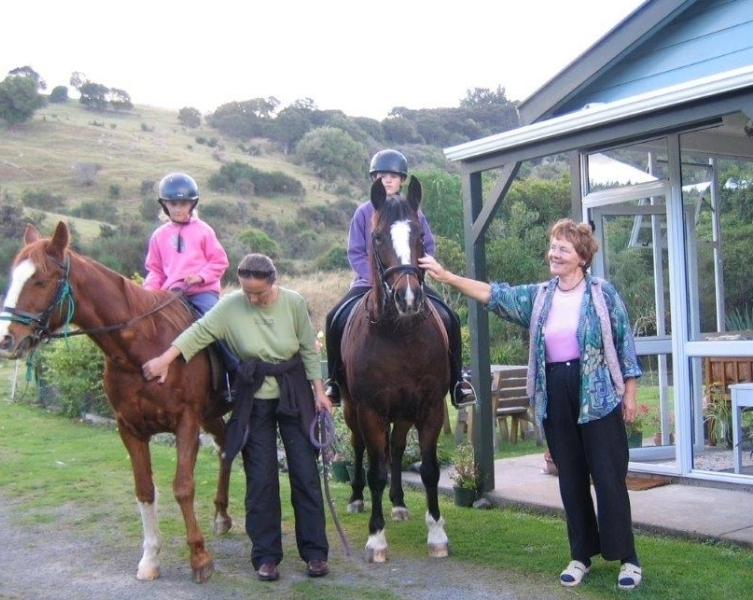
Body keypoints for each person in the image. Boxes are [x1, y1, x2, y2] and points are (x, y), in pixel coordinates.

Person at [418, 218, 644, 590]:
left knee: (608, 478)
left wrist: (630, 396)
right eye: (553, 246)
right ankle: (581, 554)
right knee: (570, 478)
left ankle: (627, 558)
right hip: (555, 391)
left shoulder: (603, 294)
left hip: (599, 395)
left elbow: (625, 346)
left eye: (563, 249)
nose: (554, 254)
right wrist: (447, 277)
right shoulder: (541, 295)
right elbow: (496, 295)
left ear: (582, 257)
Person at [142, 254, 334, 582]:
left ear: (273, 283)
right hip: (254, 398)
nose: (252, 298)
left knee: (305, 473)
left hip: (293, 393)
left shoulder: (293, 303)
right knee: (260, 480)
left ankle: (315, 553)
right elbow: (198, 333)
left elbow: (308, 350)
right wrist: (164, 359)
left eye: (259, 293)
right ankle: (266, 556)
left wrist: (319, 392)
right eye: (247, 292)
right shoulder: (231, 306)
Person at [323, 148, 476, 408]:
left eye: (393, 176)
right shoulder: (363, 212)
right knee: (333, 317)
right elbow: (356, 252)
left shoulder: (413, 211)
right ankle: (335, 382)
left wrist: (418, 272)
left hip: (410, 280)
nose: (388, 180)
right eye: (382, 175)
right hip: (369, 285)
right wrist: (375, 281)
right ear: (374, 180)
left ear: (402, 180)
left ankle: (457, 383)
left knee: (450, 316)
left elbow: (425, 243)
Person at [142, 172, 229, 316]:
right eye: (173, 204)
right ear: (164, 204)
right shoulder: (159, 236)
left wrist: (201, 277)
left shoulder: (203, 231)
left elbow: (219, 261)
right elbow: (155, 271)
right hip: (171, 293)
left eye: (183, 204)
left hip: (202, 292)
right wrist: (148, 292)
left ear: (192, 204)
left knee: (211, 323)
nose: (177, 209)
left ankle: (227, 339)